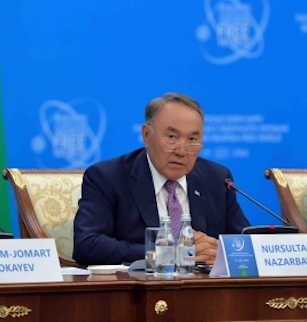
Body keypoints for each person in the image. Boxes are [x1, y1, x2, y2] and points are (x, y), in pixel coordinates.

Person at [73, 92, 250, 266]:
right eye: (172, 137)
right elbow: (87, 245)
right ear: (147, 135)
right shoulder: (108, 177)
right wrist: (170, 254)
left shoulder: (217, 179)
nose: (182, 151)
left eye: (192, 139)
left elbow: (245, 244)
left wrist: (220, 252)